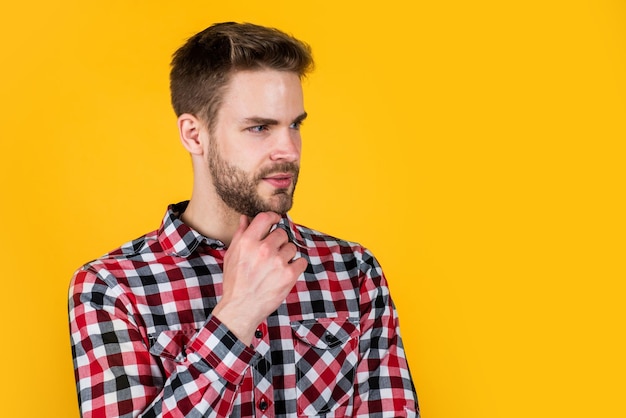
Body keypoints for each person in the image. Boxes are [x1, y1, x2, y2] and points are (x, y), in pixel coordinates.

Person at [68, 22, 419, 418]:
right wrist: (235, 317)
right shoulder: (112, 289)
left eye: (295, 125)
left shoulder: (353, 272)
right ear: (194, 135)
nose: (288, 149)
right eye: (259, 127)